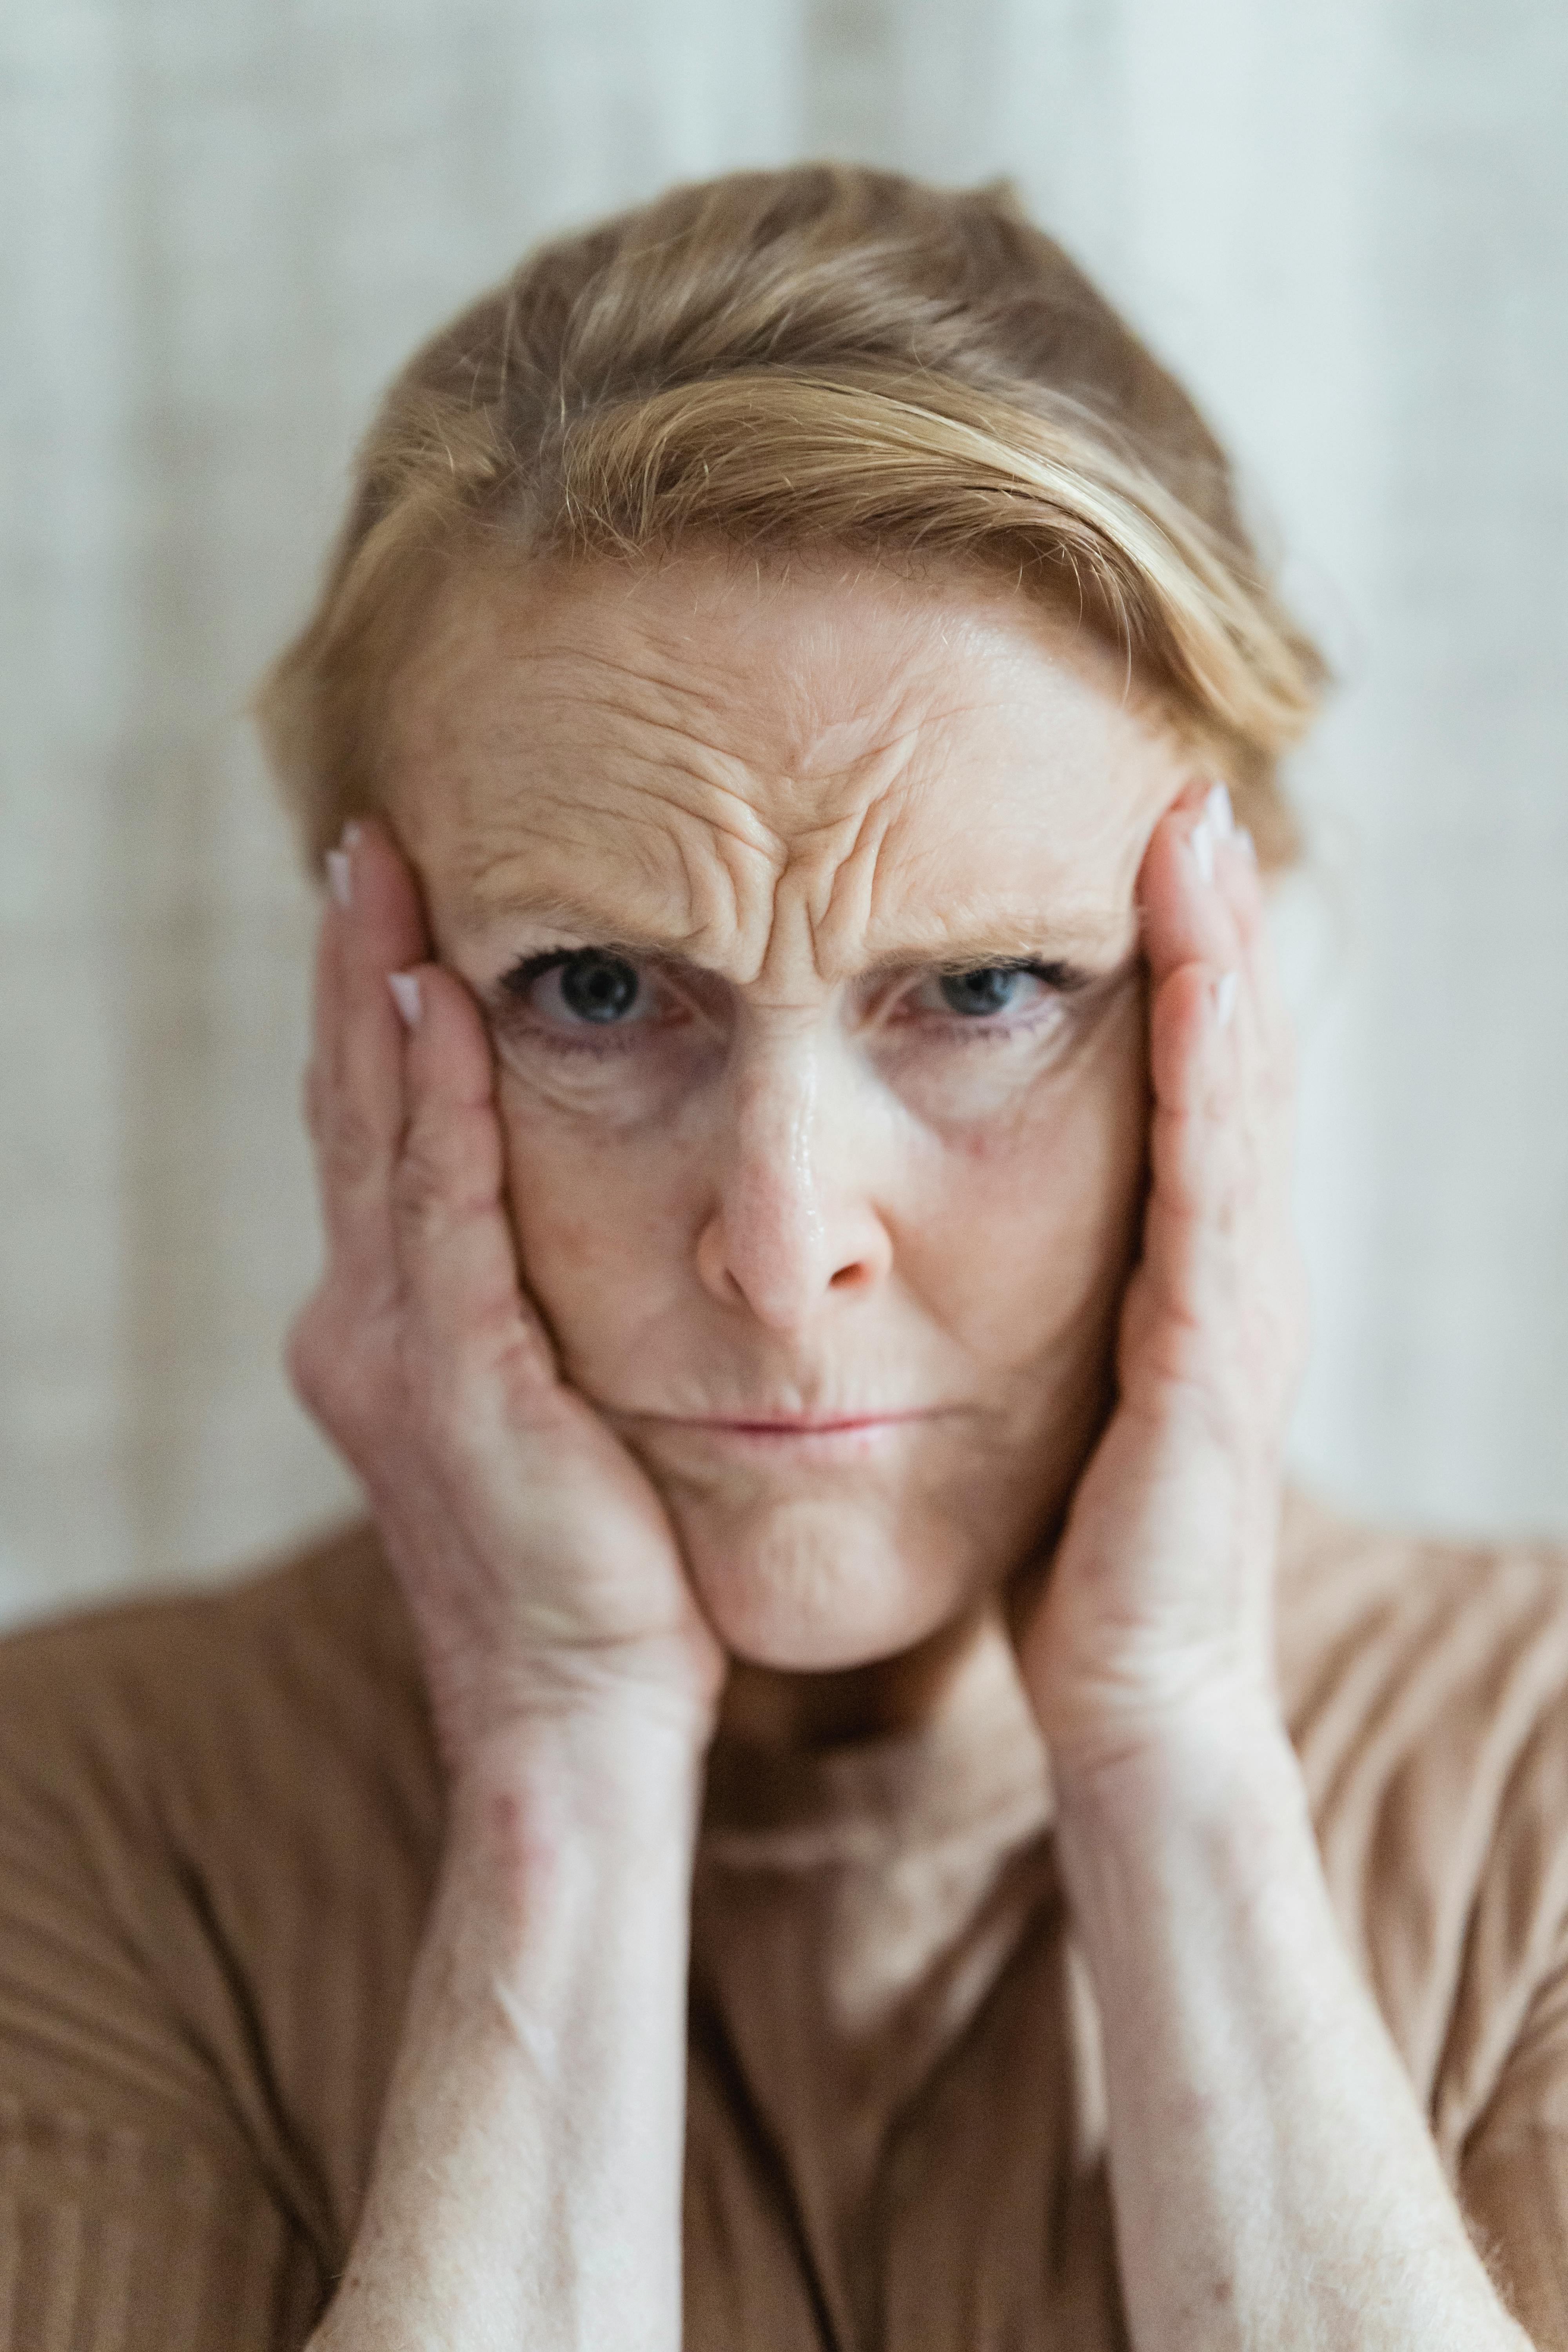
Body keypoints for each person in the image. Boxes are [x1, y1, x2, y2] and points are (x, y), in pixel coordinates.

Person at [0, 164, 1563, 2350]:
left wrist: (1180, 1753)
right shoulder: (73, 1828)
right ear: (371, 1023)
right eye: (600, 995)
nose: (782, 1242)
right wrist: (561, 1755)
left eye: (992, 991)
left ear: (1229, 1016)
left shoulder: (1539, 1794)